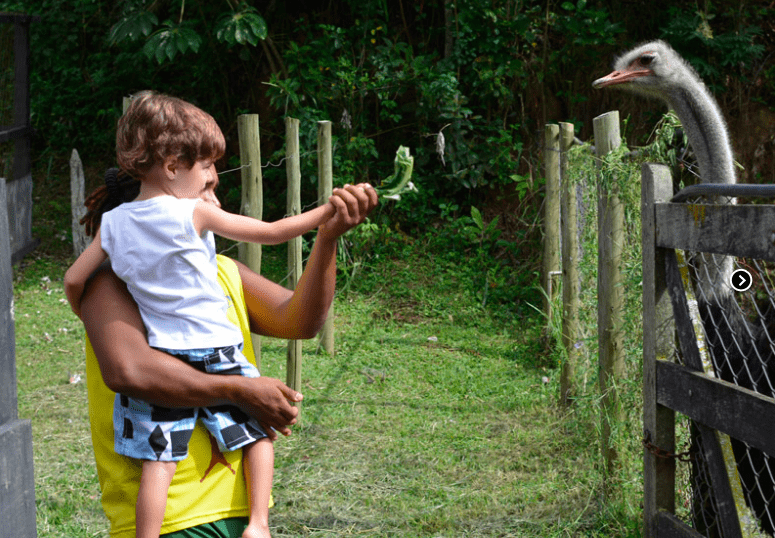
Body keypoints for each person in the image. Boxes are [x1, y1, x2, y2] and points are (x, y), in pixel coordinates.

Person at [66, 91, 376, 538]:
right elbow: (129, 370)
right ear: (174, 176)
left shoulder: (221, 271)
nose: (213, 203)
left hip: (238, 507)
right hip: (175, 521)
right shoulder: (110, 281)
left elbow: (300, 321)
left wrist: (326, 240)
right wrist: (240, 390)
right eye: (208, 187)